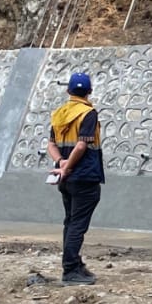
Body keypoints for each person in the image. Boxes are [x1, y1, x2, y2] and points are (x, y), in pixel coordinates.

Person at [47, 72, 104, 285]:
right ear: (89, 91)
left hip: (65, 179)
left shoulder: (59, 114)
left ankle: (75, 264)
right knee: (78, 225)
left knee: (70, 222)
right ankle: (70, 269)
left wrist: (61, 162)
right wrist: (69, 166)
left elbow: (51, 144)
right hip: (84, 176)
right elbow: (81, 145)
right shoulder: (88, 113)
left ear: (68, 91)